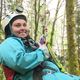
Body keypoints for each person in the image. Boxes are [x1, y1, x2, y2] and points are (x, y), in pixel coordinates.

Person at [0, 12, 80, 80]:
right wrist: (41, 52)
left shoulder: (29, 44)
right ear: (9, 29)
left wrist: (42, 49)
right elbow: (20, 63)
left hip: (50, 75)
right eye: (18, 25)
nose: (23, 28)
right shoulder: (8, 43)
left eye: (24, 25)